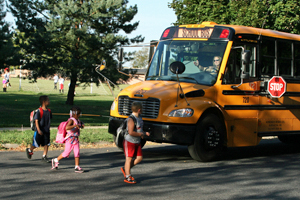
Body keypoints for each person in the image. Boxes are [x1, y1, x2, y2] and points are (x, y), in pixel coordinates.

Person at [120, 101, 150, 184]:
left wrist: (144, 132)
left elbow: (139, 128)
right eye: (142, 108)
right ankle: (128, 176)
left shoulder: (139, 117)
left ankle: (126, 169)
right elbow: (131, 132)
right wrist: (141, 134)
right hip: (129, 141)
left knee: (139, 158)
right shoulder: (131, 119)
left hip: (137, 141)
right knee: (128, 159)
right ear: (139, 109)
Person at [51, 106, 85, 173]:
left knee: (77, 152)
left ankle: (77, 166)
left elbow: (80, 125)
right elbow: (67, 127)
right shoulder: (71, 120)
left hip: (76, 139)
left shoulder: (78, 120)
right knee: (66, 153)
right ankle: (56, 160)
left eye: (79, 114)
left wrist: (82, 125)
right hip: (69, 139)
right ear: (74, 114)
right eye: (78, 114)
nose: (79, 115)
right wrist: (74, 126)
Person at [26, 95, 52, 163]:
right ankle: (30, 150)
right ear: (44, 102)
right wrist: (39, 130)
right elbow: (36, 121)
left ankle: (44, 156)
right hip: (39, 131)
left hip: (46, 131)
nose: (49, 102)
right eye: (48, 100)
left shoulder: (49, 111)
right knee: (36, 144)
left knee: (47, 143)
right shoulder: (39, 111)